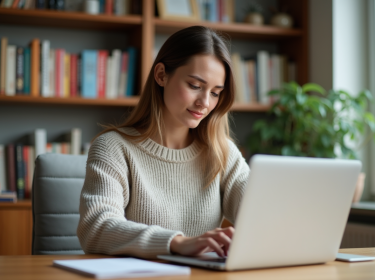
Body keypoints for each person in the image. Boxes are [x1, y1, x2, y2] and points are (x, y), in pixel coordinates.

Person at [77, 25, 250, 259]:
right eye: (195, 86)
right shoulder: (113, 148)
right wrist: (177, 243)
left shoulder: (222, 152)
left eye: (215, 92)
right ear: (161, 75)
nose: (205, 102)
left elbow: (259, 214)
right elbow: (96, 228)